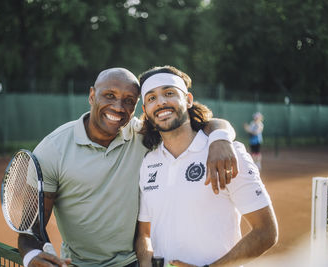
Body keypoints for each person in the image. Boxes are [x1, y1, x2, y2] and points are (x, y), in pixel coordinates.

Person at [18, 67, 238, 267]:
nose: (118, 107)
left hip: (134, 262)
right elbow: (31, 227)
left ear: (136, 107)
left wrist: (220, 137)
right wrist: (30, 256)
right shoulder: (52, 149)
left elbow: (193, 123)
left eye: (128, 100)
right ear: (92, 95)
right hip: (77, 264)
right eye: (110, 96)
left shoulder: (142, 135)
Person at [135, 66, 278, 267]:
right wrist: (144, 260)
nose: (161, 102)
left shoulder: (227, 152)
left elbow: (266, 232)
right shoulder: (148, 162)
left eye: (169, 93)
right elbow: (144, 233)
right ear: (145, 111)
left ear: (188, 100)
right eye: (151, 98)